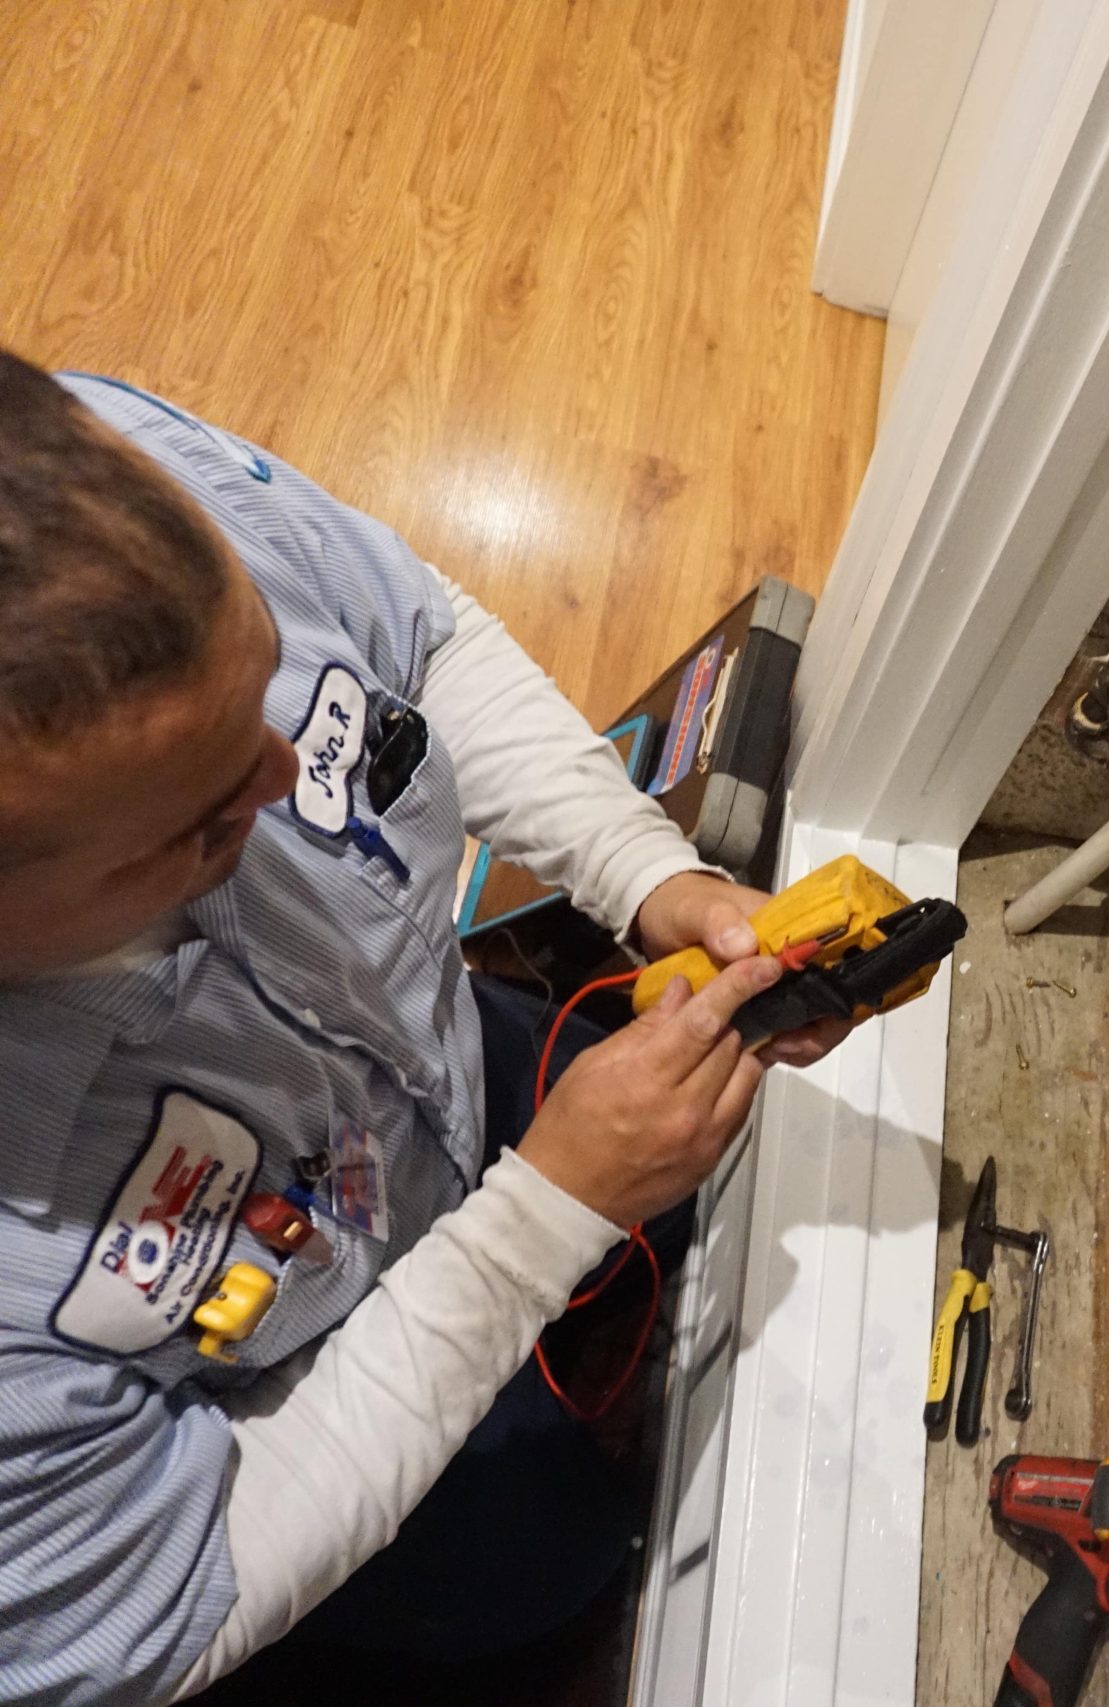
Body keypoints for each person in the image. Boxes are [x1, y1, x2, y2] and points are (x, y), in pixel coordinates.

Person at [0, 350, 847, 1703]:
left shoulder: (78, 481)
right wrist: (542, 1220)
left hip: (436, 1063)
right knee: (552, 1569)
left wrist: (643, 872)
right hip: (290, 1381)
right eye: (203, 821)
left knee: (669, 1198)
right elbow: (177, 1593)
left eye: (270, 695)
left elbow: (416, 639)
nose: (289, 782)